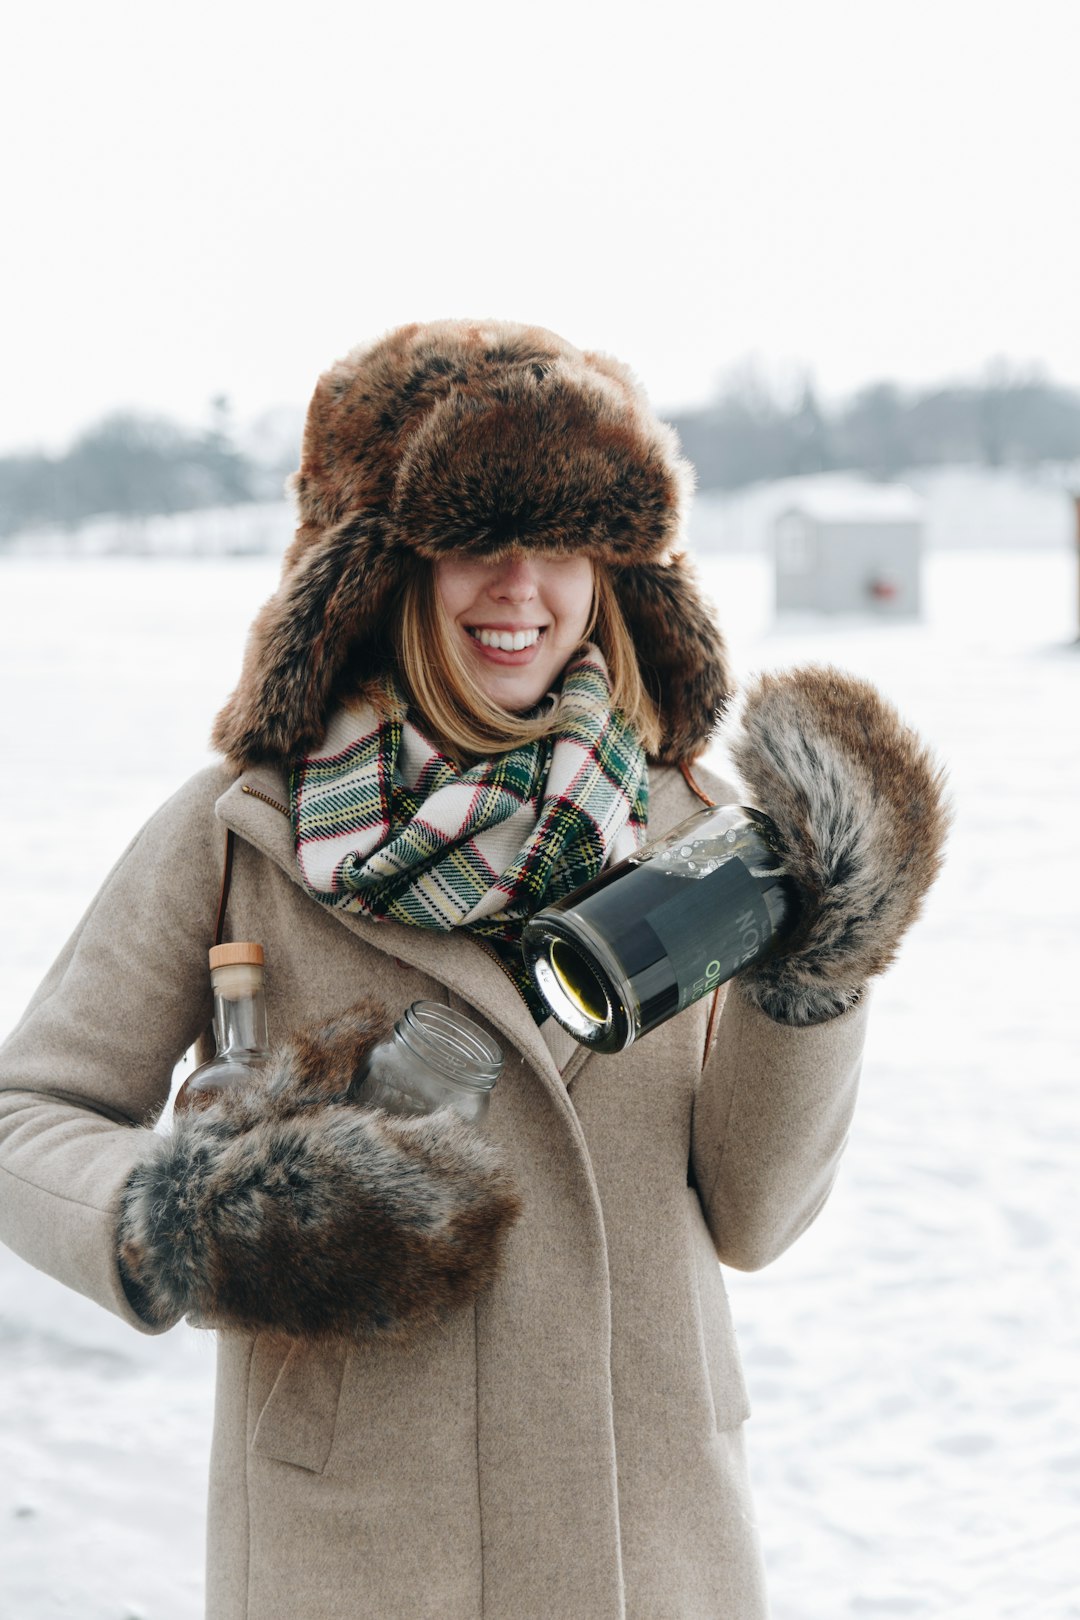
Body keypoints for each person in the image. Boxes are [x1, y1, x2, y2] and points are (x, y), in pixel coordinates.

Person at [0, 319, 949, 1619]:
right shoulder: (244, 830)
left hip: (646, 1549)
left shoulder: (693, 825)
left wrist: (820, 969)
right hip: (356, 1553)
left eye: (562, 542)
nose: (522, 590)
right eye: (473, 540)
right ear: (376, 569)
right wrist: (201, 1218)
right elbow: (25, 1119)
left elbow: (754, 1216)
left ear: (620, 569)